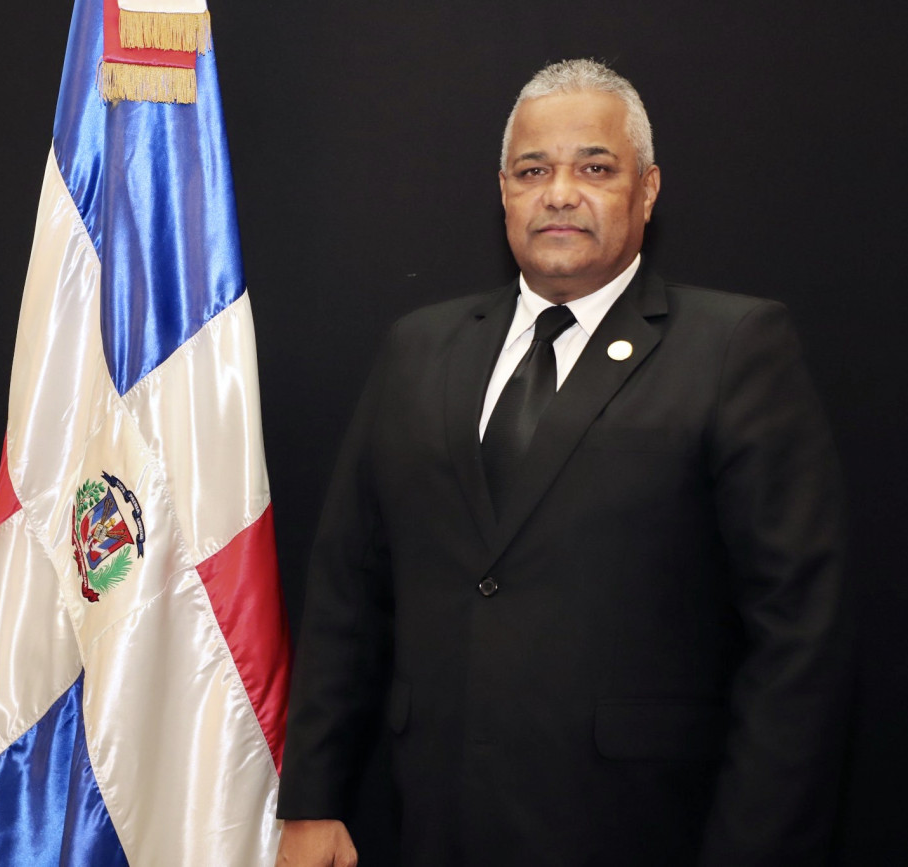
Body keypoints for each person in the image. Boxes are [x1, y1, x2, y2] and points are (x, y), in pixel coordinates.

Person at [275, 59, 852, 866]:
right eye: (533, 170)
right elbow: (347, 593)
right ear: (503, 191)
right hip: (432, 823)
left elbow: (799, 641)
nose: (559, 193)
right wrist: (311, 798)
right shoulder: (418, 348)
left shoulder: (734, 349)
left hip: (641, 830)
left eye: (595, 168)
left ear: (647, 191)